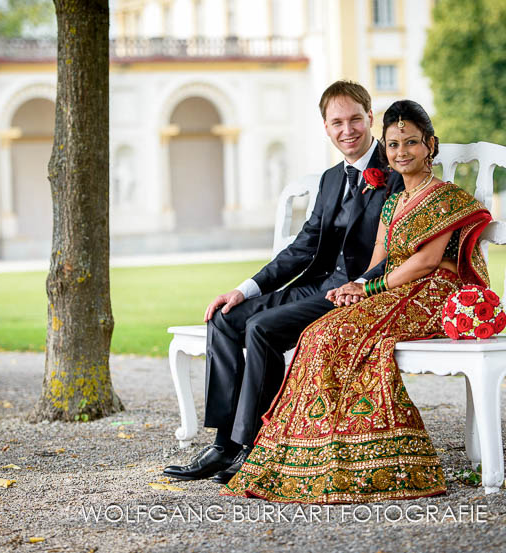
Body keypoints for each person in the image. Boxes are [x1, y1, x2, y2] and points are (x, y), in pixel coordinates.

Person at [221, 99, 493, 503]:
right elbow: (379, 260)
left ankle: (377, 452)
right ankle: (313, 449)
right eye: (394, 145)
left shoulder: (447, 198)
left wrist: (367, 290)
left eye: (412, 143)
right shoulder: (393, 202)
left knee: (337, 336)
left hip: (434, 292)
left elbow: (426, 261)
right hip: (394, 288)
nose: (402, 153)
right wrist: (356, 285)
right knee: (319, 332)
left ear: (430, 145)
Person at [162, 81, 404, 483]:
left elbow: (398, 249)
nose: (348, 130)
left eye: (355, 119)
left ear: (370, 118)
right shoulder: (329, 180)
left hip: (353, 294)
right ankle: (224, 445)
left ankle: (252, 447)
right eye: (337, 122)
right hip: (316, 285)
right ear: (325, 127)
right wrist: (244, 288)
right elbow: (301, 248)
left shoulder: (395, 172)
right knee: (225, 317)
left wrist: (362, 283)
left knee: (261, 329)